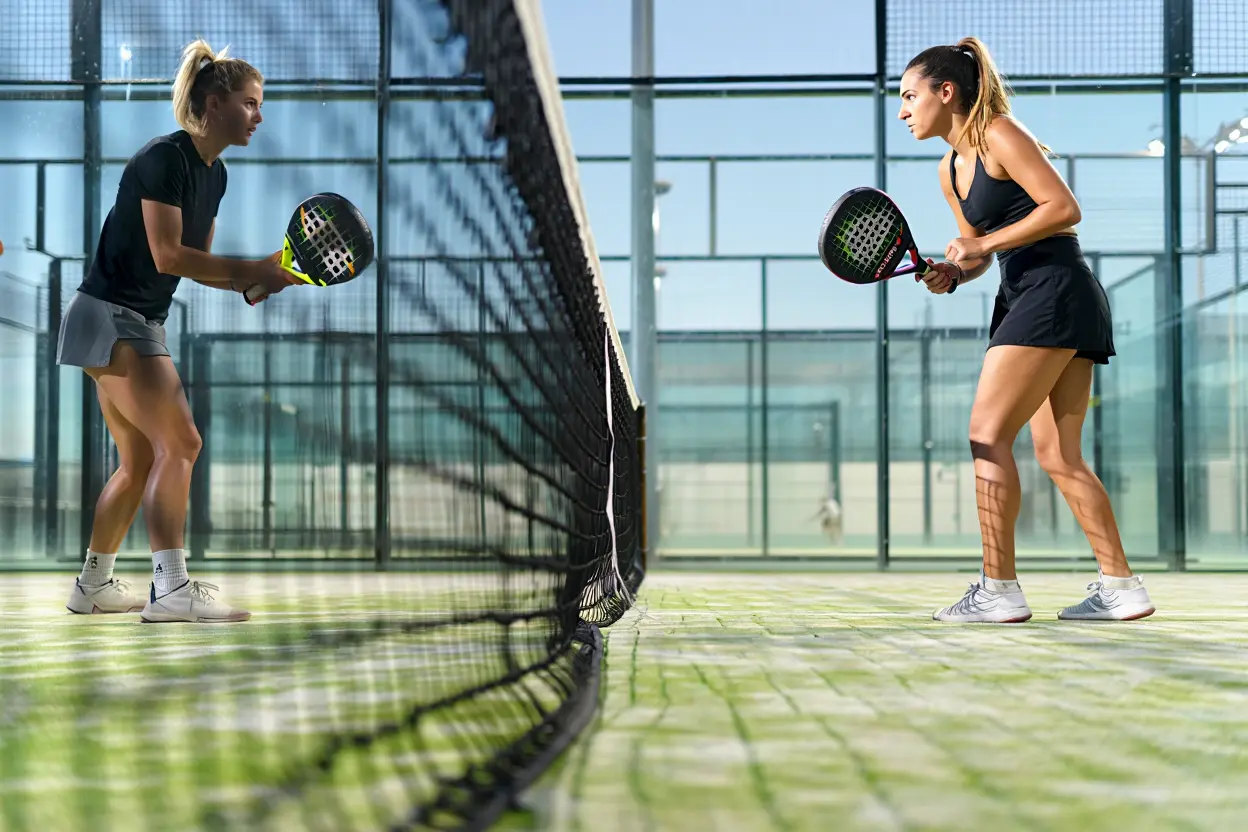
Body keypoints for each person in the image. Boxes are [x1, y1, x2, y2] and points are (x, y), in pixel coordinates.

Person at [897, 37, 1155, 623]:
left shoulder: (1001, 133)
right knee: (1059, 454)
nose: (904, 110)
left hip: (1055, 289)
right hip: (1030, 293)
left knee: (987, 435)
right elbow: (978, 254)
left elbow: (1063, 208)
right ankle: (1123, 586)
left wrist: (981, 243)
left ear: (948, 91)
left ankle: (999, 590)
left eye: (911, 96)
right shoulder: (949, 169)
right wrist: (953, 272)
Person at [59, 39, 297, 622]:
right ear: (214, 104)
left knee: (139, 459)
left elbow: (197, 261)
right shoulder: (162, 159)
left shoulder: (215, 177)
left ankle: (93, 585)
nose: (259, 115)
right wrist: (257, 268)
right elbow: (169, 256)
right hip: (110, 315)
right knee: (183, 442)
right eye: (249, 103)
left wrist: (255, 282)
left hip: (134, 321)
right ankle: (171, 589)